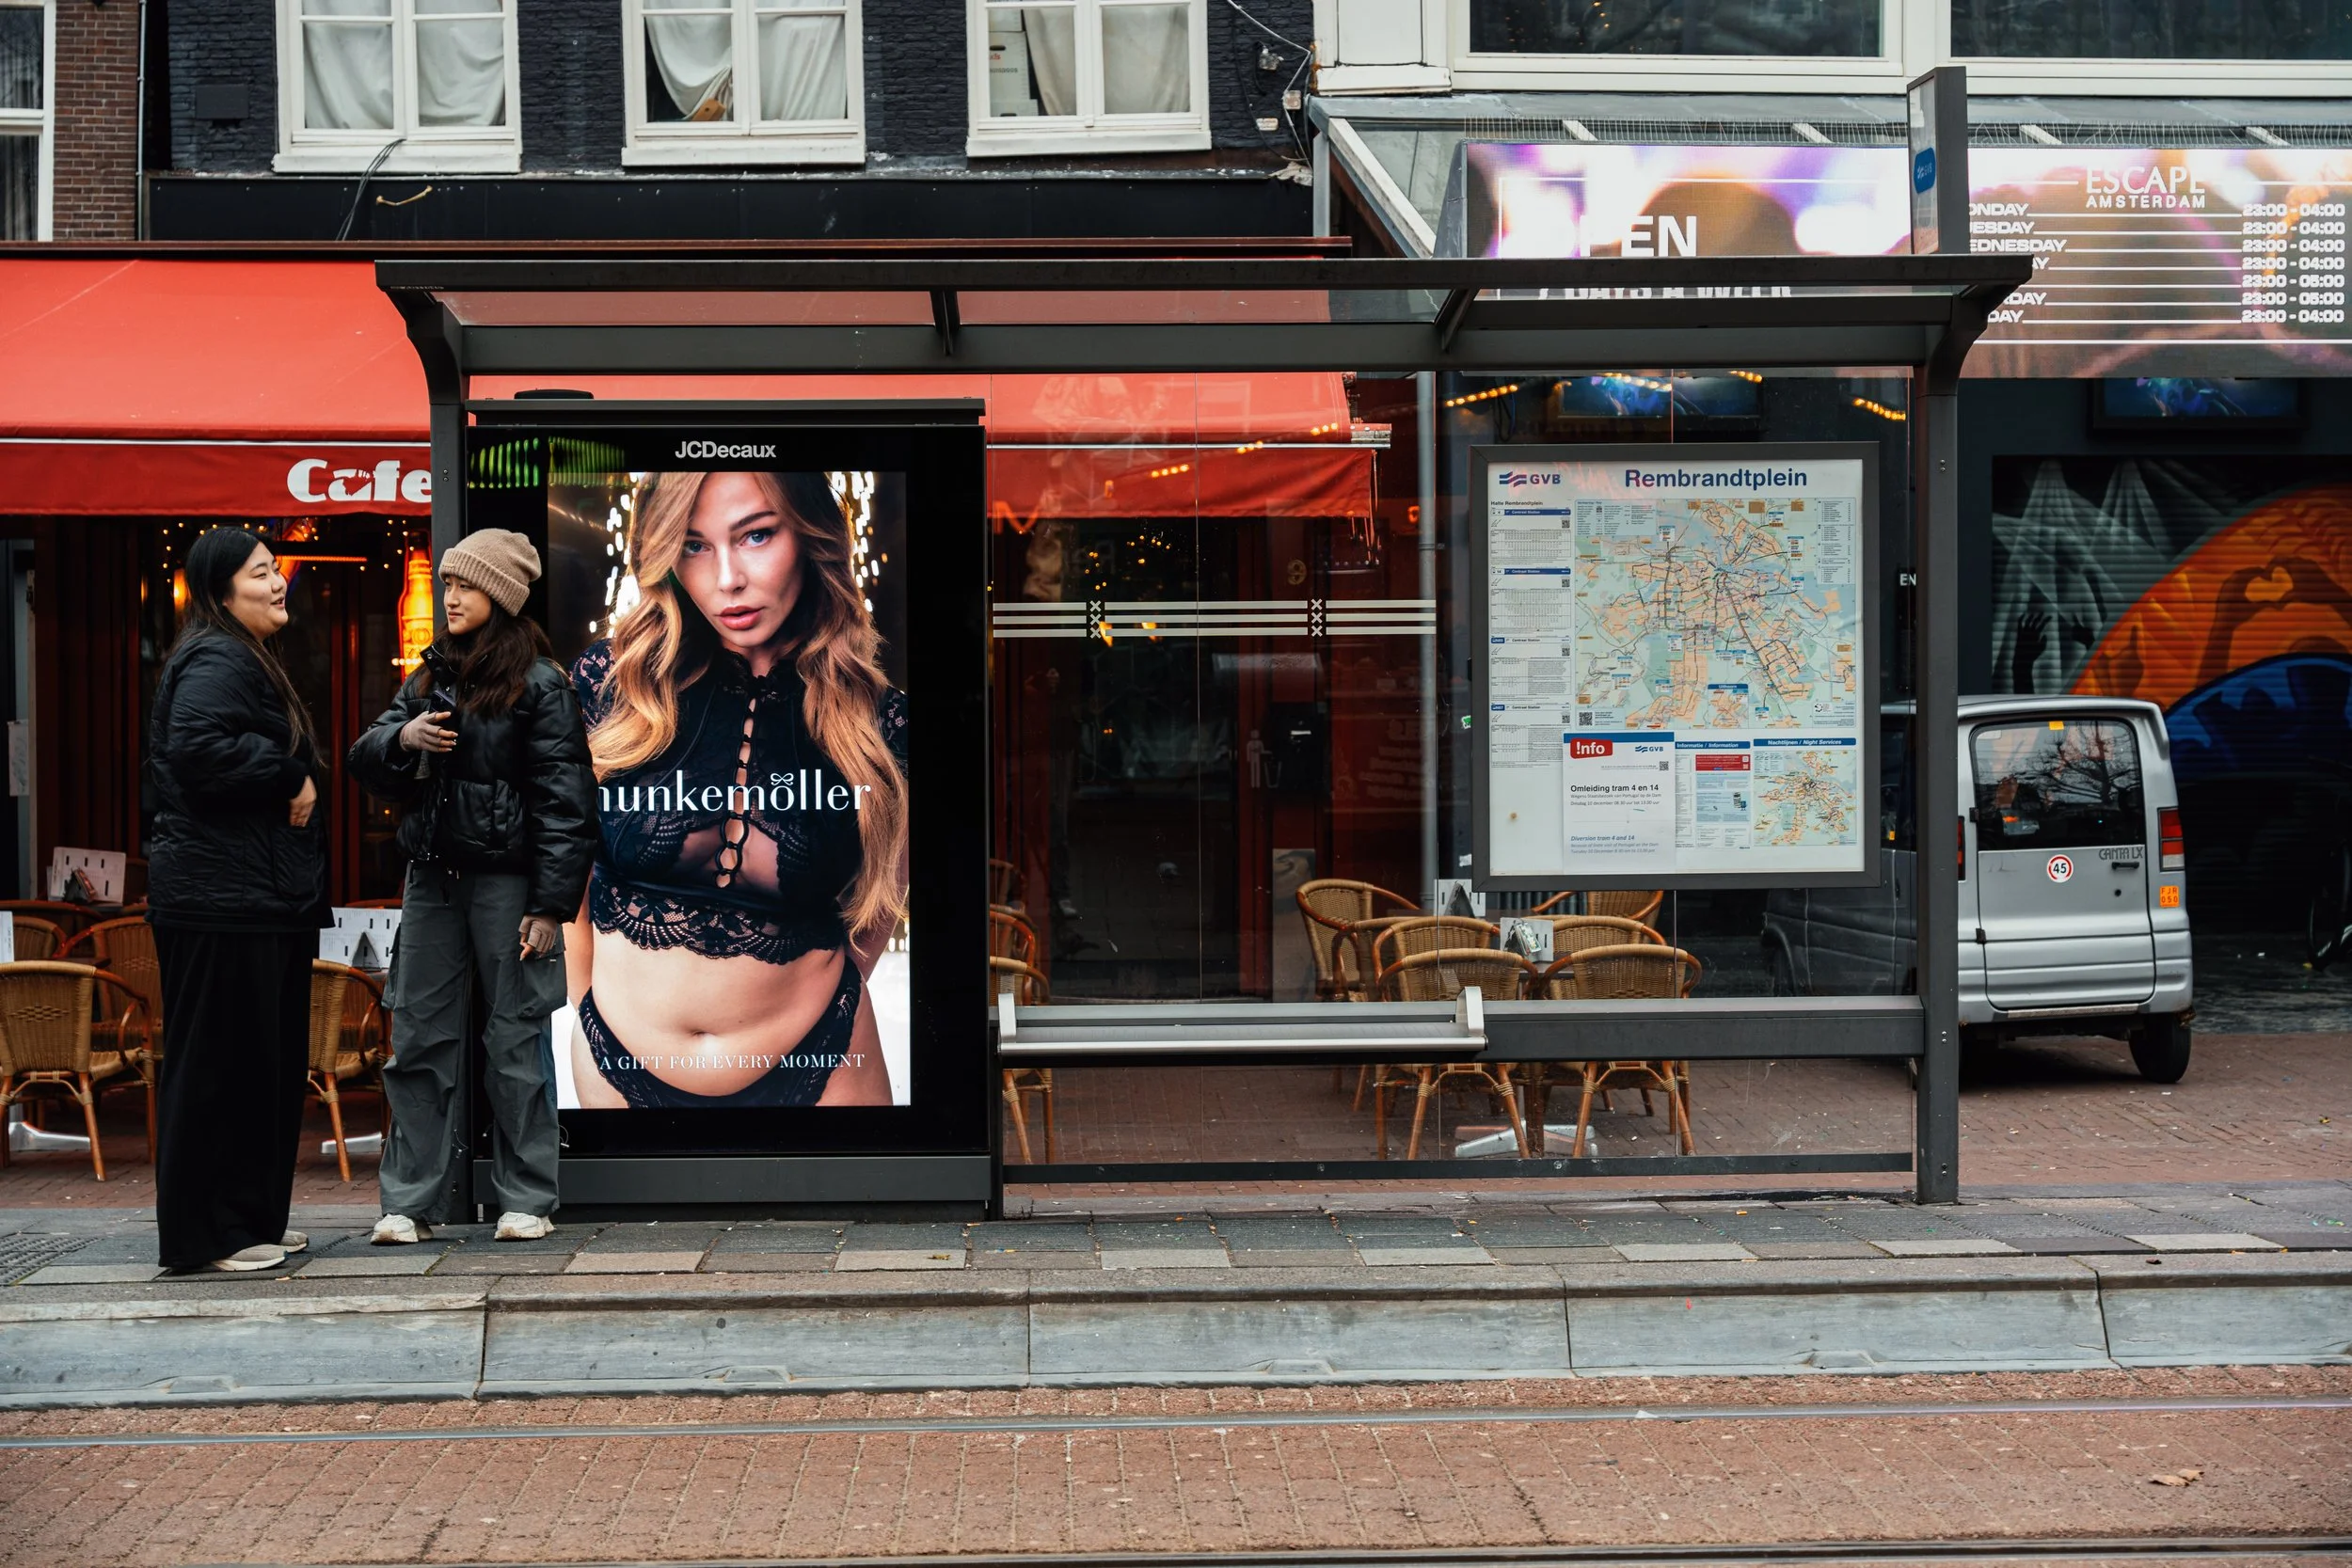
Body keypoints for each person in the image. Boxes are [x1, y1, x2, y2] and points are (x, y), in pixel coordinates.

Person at [567, 471, 907, 1108]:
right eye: (694, 545)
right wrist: (581, 997)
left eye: (755, 535)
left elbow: (882, 894)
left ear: (811, 536)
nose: (726, 579)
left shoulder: (872, 717)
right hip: (618, 1052)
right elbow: (564, 858)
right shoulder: (612, 684)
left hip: (824, 1054)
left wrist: (833, 996)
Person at [347, 530, 597, 1244]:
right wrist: (404, 742)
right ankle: (407, 1202)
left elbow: (566, 803)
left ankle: (528, 1198)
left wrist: (551, 905)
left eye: (464, 584)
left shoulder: (542, 684)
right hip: (433, 882)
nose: (449, 596)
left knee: (515, 1039)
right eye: (447, 583)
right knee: (418, 1039)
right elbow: (367, 756)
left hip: (510, 887)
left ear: (503, 595)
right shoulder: (428, 677)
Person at [145, 528, 328, 1274]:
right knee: (219, 1067)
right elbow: (196, 748)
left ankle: (249, 1219)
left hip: (253, 896)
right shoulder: (217, 657)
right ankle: (207, 1236)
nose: (279, 581)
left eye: (276, 568)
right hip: (221, 901)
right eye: (261, 572)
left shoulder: (241, 654)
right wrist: (289, 775)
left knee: (262, 1066)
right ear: (222, 591)